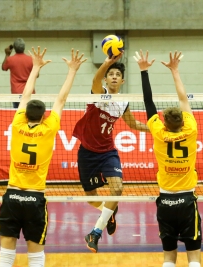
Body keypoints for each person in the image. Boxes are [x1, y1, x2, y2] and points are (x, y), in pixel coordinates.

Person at [0, 47, 87, 267]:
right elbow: (61, 100)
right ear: (44, 116)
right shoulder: (49, 129)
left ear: (24, 113)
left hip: (13, 195)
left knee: (6, 252)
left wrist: (35, 67)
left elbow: (25, 95)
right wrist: (72, 70)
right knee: (35, 254)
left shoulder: (16, 124)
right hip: (34, 199)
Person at [72, 53, 149, 253]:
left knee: (117, 188)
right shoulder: (99, 92)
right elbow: (95, 79)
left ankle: (95, 232)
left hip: (107, 152)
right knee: (90, 197)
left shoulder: (123, 102)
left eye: (117, 74)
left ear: (122, 81)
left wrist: (154, 129)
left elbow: (132, 124)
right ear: (106, 79)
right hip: (87, 152)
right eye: (111, 74)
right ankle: (110, 212)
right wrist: (107, 63)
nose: (114, 77)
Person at [134, 49, 202, 267]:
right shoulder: (191, 129)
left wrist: (144, 71)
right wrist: (175, 71)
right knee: (194, 257)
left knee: (168, 258)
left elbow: (148, 101)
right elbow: (183, 98)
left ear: (164, 122)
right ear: (183, 121)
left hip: (165, 201)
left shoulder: (158, 132)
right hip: (187, 201)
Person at [2, 38, 37, 109]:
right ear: (24, 47)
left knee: (18, 115)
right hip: (29, 92)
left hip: (16, 93)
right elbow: (37, 75)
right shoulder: (31, 59)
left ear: (14, 48)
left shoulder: (10, 59)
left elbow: (3, 68)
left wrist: (7, 54)